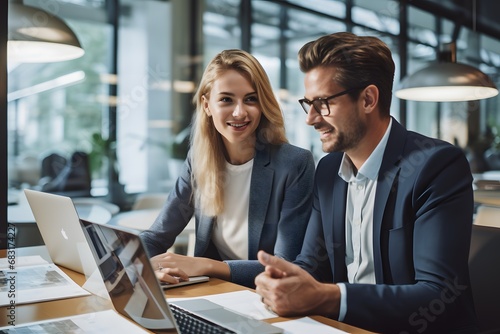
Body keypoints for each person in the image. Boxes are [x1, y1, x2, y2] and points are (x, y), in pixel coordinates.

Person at [254, 32, 478, 333]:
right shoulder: (328, 169)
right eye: (308, 103)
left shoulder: (436, 166)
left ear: (368, 99)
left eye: (322, 103)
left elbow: (436, 294)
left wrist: (329, 297)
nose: (311, 119)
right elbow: (312, 264)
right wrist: (283, 279)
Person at [140, 49, 315, 288]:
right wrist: (147, 266)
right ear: (207, 105)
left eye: (251, 99)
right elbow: (157, 237)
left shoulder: (294, 164)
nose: (240, 112)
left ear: (263, 104)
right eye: (226, 99)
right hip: (214, 293)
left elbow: (286, 264)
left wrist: (206, 265)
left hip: (265, 296)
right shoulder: (199, 160)